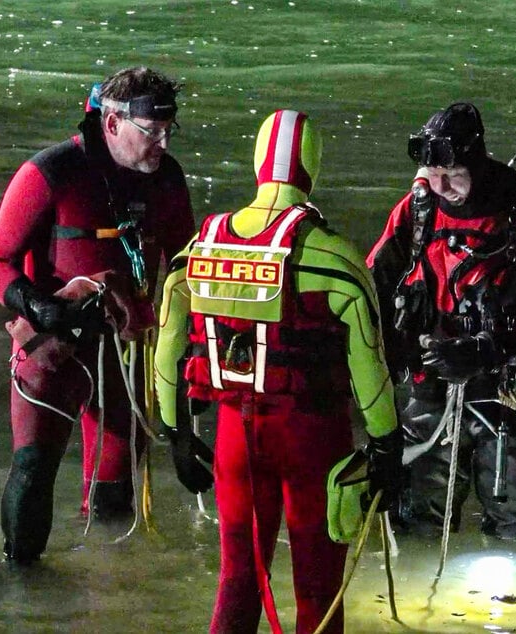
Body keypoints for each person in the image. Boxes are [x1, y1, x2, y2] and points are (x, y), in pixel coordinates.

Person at [154, 109, 401, 634]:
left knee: (238, 578)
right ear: (314, 168)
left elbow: (169, 344)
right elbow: (369, 365)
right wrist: (386, 444)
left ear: (257, 164)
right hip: (313, 438)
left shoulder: (200, 246)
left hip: (232, 440)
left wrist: (175, 433)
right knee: (318, 589)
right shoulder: (336, 258)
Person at [0, 66, 195, 564]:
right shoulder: (51, 172)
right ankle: (23, 592)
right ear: (113, 121)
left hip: (125, 357)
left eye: (169, 129)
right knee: (33, 470)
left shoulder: (168, 179)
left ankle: (107, 592)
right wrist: (37, 305)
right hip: (54, 350)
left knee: (114, 495)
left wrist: (192, 359)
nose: (162, 142)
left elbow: (186, 268)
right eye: (151, 130)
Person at [367, 102, 516, 540]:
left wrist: (497, 350)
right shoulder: (417, 210)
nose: (442, 188)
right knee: (415, 523)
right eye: (433, 178)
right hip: (432, 382)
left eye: (453, 177)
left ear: (478, 161)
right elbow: (372, 285)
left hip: (509, 388)